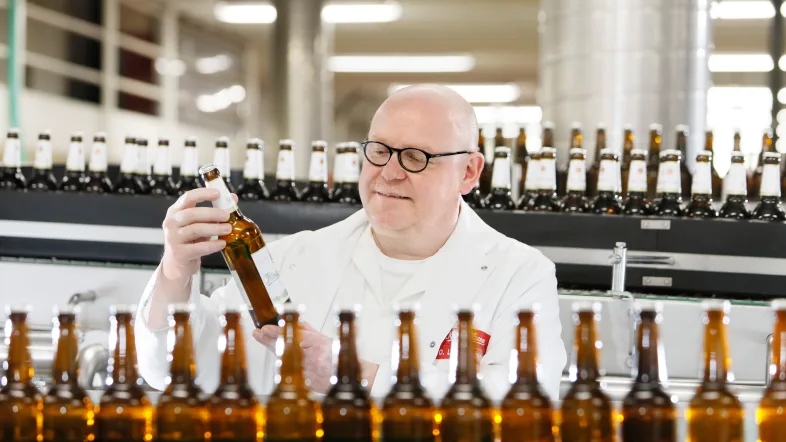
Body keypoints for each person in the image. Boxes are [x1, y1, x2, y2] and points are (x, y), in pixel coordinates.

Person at [135, 84, 567, 401]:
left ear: (469, 173)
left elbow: (523, 407)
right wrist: (176, 269)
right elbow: (170, 369)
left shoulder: (518, 275)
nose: (390, 173)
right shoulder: (294, 260)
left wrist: (354, 374)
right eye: (379, 150)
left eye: (416, 158)